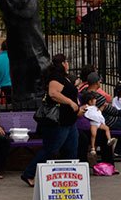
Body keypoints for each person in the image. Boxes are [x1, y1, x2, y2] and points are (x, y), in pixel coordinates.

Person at [20, 53, 82, 187]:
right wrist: (70, 102)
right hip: (59, 121)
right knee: (51, 148)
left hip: (70, 121)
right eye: (67, 62)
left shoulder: (65, 78)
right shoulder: (55, 78)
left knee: (71, 149)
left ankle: (69, 175)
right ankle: (29, 173)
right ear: (64, 64)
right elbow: (53, 93)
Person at [80, 74, 118, 160]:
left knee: (106, 129)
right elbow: (112, 111)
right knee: (94, 134)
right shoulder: (94, 99)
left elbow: (98, 112)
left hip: (100, 121)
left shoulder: (84, 92)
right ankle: (93, 148)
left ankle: (109, 140)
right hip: (95, 123)